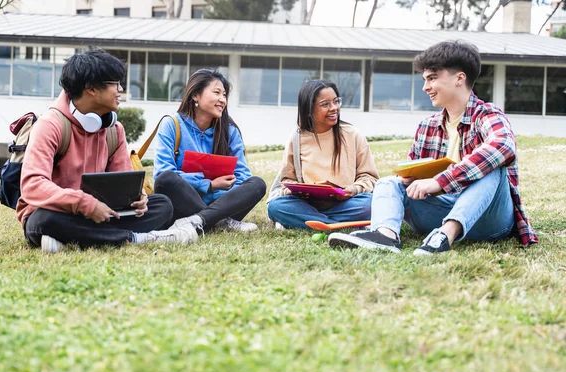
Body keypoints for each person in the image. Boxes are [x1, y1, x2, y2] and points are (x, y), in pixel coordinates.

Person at [328, 40, 538, 255]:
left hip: (489, 220)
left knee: (493, 167)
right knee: (389, 182)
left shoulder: (488, 115)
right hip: (436, 213)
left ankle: (446, 234)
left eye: (432, 78)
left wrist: (439, 181)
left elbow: (502, 146)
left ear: (459, 78)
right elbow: (412, 174)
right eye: (424, 79)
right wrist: (410, 179)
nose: (425, 87)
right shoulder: (427, 126)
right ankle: (385, 235)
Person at [17, 49, 197, 253]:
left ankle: (72, 239)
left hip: (104, 214)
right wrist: (84, 203)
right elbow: (32, 186)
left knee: (162, 205)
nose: (120, 89)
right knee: (43, 220)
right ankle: (138, 238)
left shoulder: (114, 130)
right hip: (59, 211)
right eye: (115, 83)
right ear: (91, 88)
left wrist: (138, 198)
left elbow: (125, 182)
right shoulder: (50, 125)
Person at [153, 69, 266, 234]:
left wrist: (224, 189)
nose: (222, 99)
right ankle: (220, 221)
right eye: (217, 92)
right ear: (195, 95)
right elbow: (162, 173)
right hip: (184, 203)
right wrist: (210, 185)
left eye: (224, 95)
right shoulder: (172, 124)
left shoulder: (230, 131)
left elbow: (243, 176)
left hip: (223, 203)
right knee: (167, 179)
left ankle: (203, 221)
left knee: (257, 184)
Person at [267, 79, 379, 229]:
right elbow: (287, 179)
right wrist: (299, 191)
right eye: (325, 104)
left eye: (336, 101)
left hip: (345, 204)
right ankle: (336, 224)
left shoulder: (353, 135)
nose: (334, 108)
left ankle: (314, 222)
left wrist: (353, 189)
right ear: (309, 109)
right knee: (276, 206)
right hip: (306, 205)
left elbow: (369, 177)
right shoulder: (296, 138)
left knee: (370, 203)